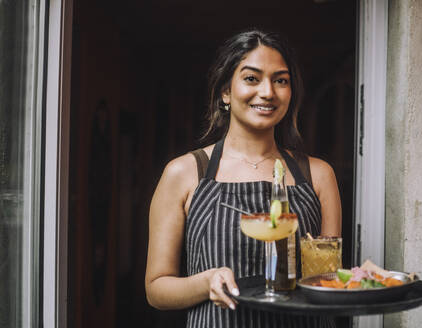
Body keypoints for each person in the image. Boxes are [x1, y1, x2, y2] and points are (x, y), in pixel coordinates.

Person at [145, 29, 342, 328]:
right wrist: (207, 281)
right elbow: (157, 289)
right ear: (226, 91)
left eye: (281, 80)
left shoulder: (319, 175)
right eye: (252, 78)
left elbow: (328, 280)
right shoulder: (184, 173)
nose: (267, 92)